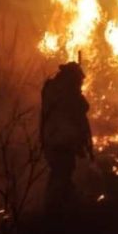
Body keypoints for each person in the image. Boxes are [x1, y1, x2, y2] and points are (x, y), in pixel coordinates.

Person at [40, 61, 94, 214]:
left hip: (52, 139)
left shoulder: (53, 88)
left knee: (60, 172)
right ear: (72, 78)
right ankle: (58, 208)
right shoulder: (66, 91)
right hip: (61, 140)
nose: (81, 83)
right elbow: (81, 107)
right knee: (62, 172)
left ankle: (59, 206)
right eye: (79, 80)